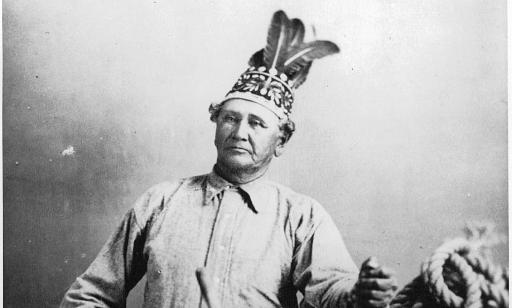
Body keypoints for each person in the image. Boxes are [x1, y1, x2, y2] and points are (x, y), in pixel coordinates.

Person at [61, 10, 397, 308]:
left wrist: (360, 296)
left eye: (257, 123)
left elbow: (331, 293)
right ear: (216, 124)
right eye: (230, 118)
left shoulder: (301, 217)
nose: (239, 131)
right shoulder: (160, 202)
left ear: (281, 141)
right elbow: (91, 294)